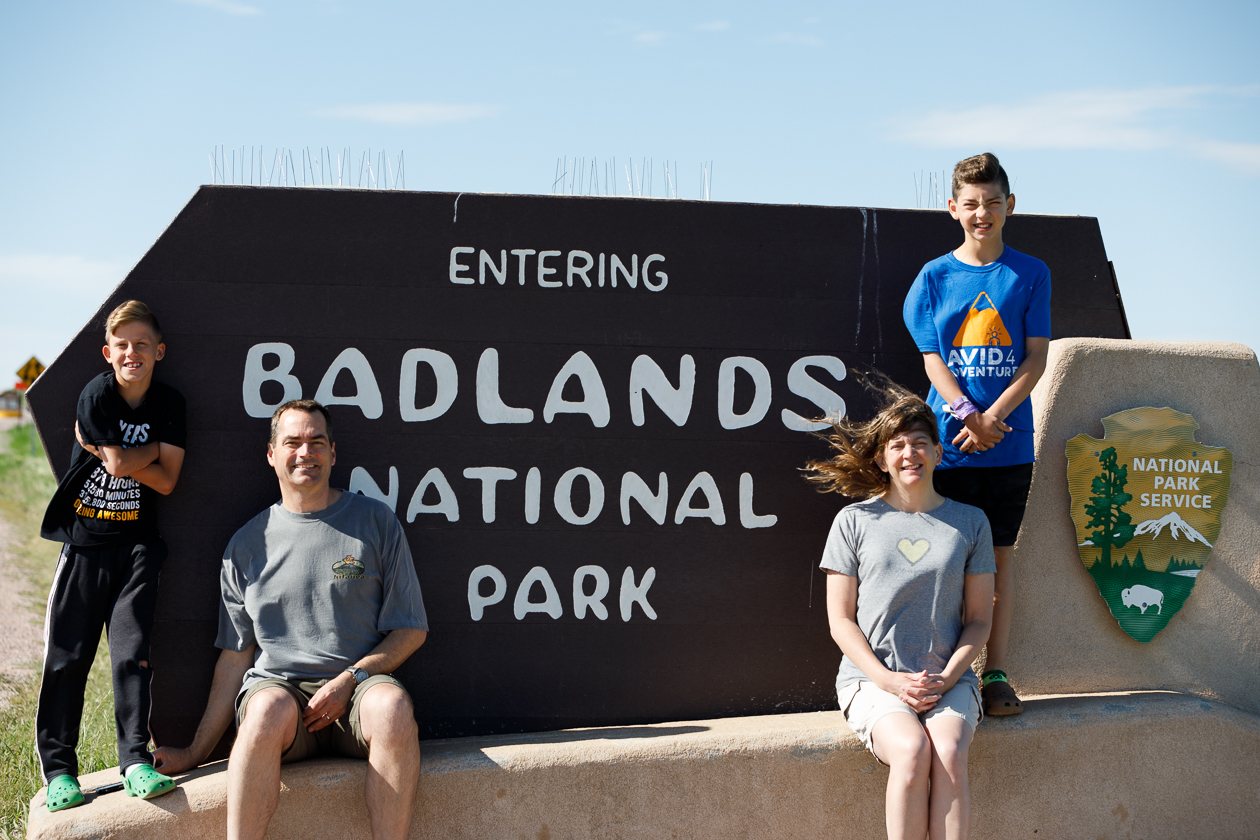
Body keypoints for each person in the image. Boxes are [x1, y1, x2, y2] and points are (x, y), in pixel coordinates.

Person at [152, 399, 428, 840]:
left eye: (317, 442)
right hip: (282, 697)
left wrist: (351, 679)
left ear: (332, 453)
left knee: (392, 708)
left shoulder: (375, 522)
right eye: (293, 442)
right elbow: (234, 659)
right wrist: (194, 752)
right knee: (264, 710)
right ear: (271, 454)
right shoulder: (246, 545)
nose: (306, 453)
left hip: (357, 693)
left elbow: (410, 629)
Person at [805, 379, 994, 840]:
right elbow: (840, 620)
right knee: (911, 750)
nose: (910, 453)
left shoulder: (970, 522)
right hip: (871, 681)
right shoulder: (854, 521)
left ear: (938, 452)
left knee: (947, 751)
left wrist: (946, 678)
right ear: (881, 459)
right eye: (898, 445)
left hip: (947, 679)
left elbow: (979, 620)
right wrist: (889, 680)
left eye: (920, 443)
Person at [901, 152, 1050, 716]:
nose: (981, 213)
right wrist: (967, 415)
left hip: (1008, 447)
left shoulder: (1031, 273)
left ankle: (997, 674)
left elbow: (1035, 358)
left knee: (999, 563)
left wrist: (994, 419)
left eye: (991, 203)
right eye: (971, 204)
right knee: (943, 561)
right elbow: (932, 358)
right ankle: (939, 675)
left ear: (1009, 205)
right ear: (952, 208)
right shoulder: (934, 277)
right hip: (951, 447)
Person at [37, 300, 187, 810]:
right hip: (85, 543)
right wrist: (144, 452)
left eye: (142, 344)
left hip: (139, 547)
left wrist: (121, 455)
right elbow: (124, 466)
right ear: (108, 352)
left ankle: (135, 763)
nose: (131, 353)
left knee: (132, 656)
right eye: (121, 345)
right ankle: (60, 773)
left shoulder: (170, 403)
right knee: (67, 659)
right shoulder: (96, 394)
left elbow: (166, 481)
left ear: (159, 351)